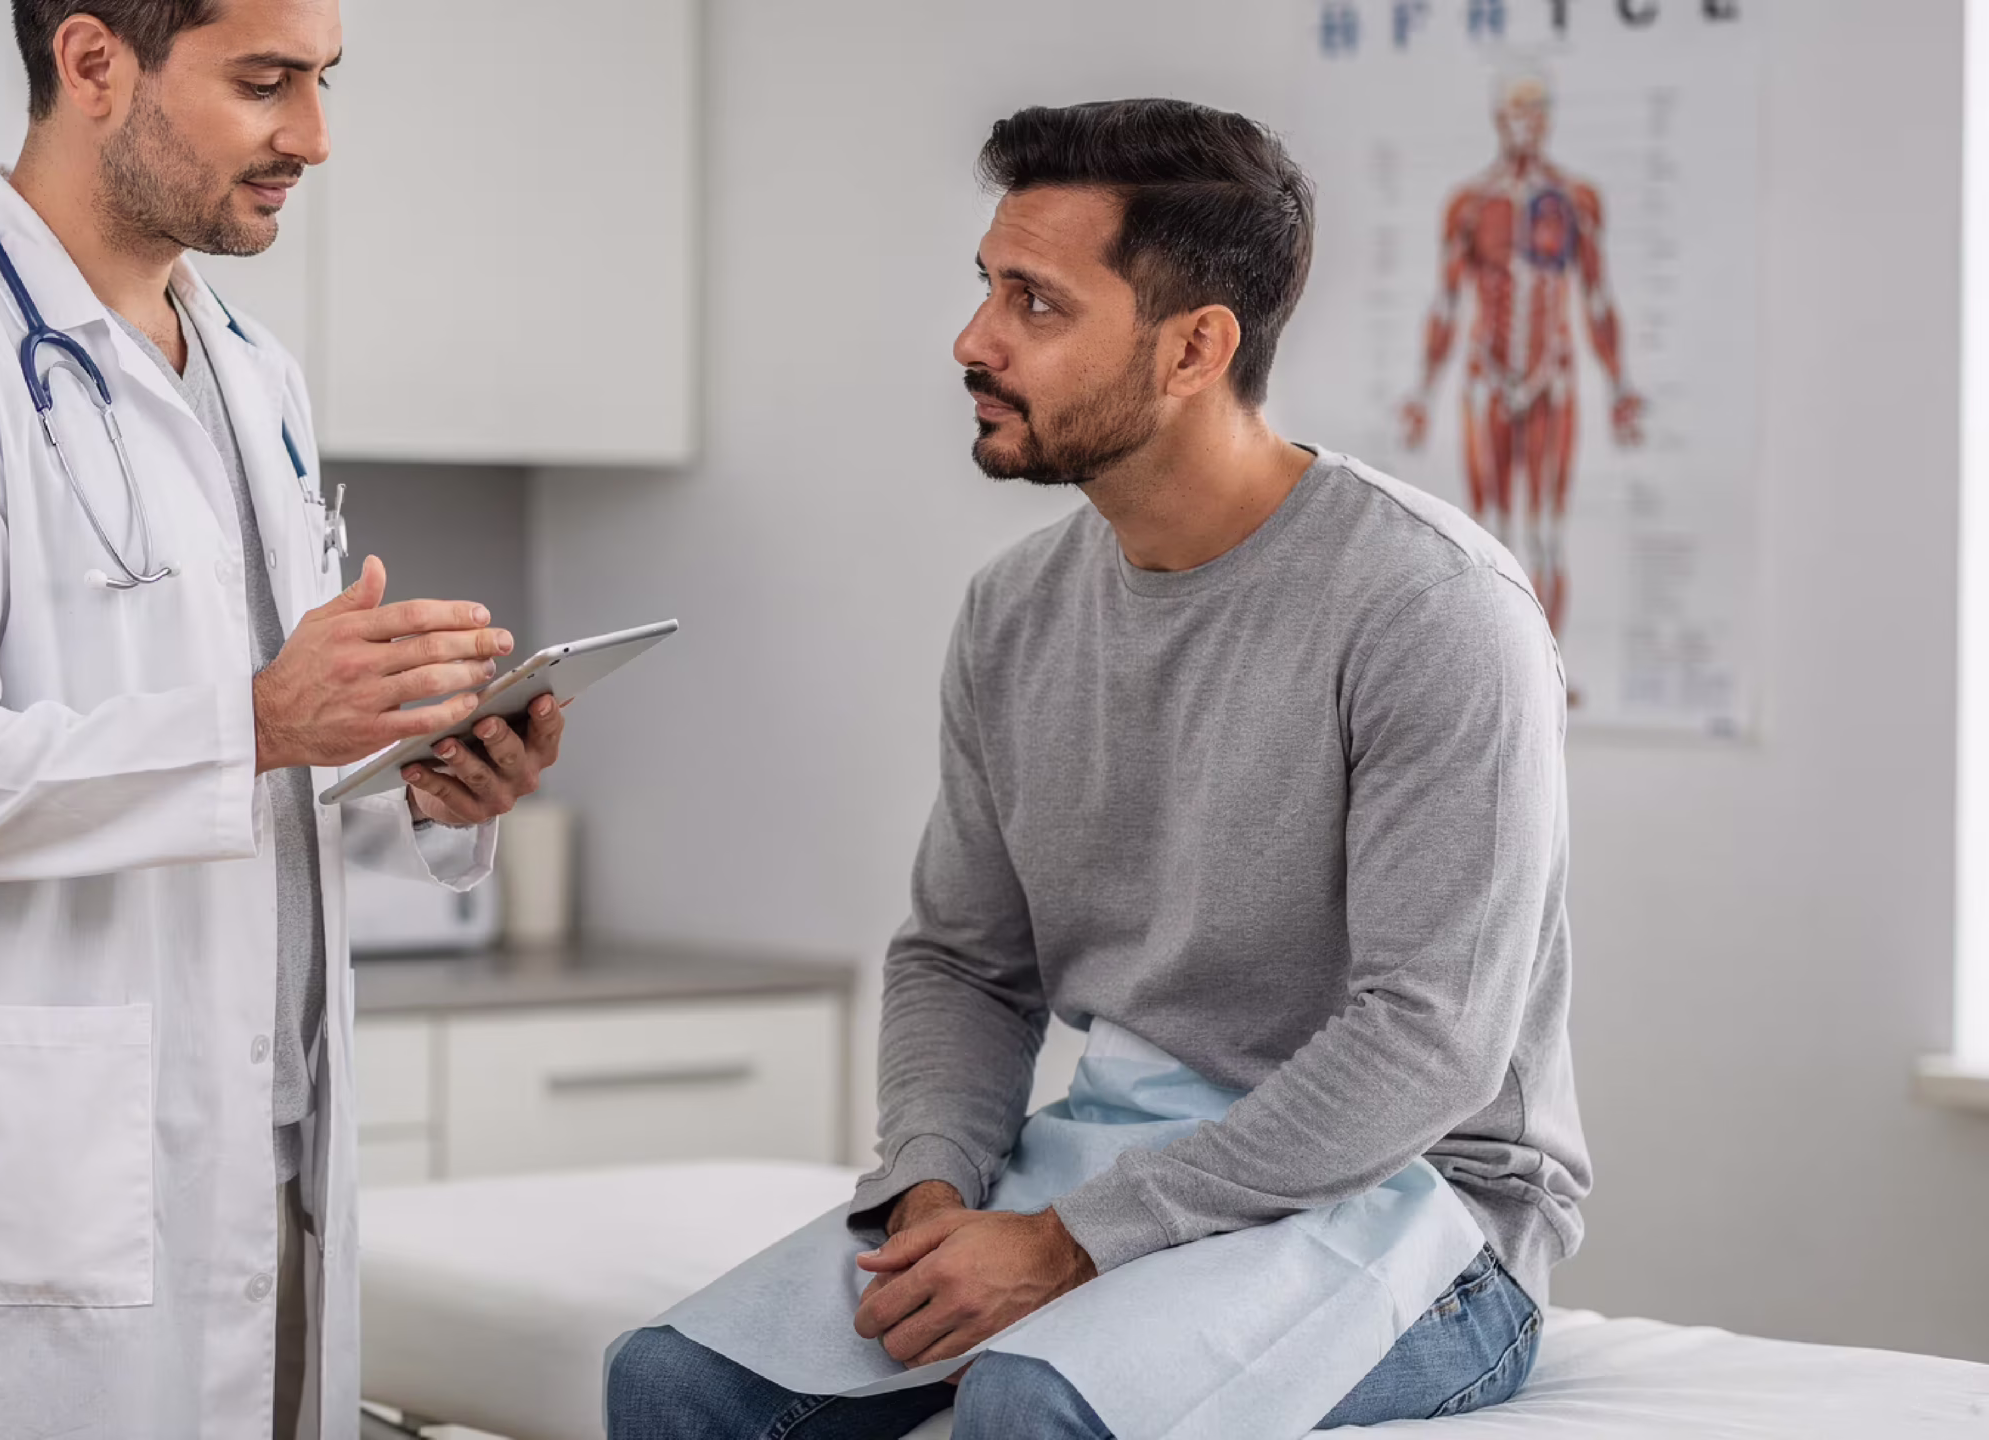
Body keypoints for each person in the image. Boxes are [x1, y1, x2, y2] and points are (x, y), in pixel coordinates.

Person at [609, 99, 1587, 1437]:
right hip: (1113, 1154)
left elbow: (1430, 1044)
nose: (974, 341)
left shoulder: (1433, 605)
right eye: (986, 289)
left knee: (1031, 1406)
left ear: (1194, 348)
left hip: (1414, 1205)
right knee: (672, 1382)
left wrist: (1073, 1243)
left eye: (1038, 305)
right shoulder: (1014, 611)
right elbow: (963, 960)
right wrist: (937, 1188)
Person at [0, 3, 561, 1436]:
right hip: (23, 1187)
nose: (313, 136)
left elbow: (267, 759)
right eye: (265, 83)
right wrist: (253, 721)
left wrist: (425, 775)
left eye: (321, 83)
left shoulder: (253, 371)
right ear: (93, 62)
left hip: (262, 1147)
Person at [1400, 71, 1645, 641]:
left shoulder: (1577, 200)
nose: (1526, 123)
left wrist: (1620, 387)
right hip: (1487, 375)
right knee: (1487, 533)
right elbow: (1445, 304)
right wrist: (1421, 395)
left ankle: (1548, 674)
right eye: (1516, 111)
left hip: (1550, 377)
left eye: (1536, 111)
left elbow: (1598, 297)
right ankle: (1494, 663)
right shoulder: (1468, 204)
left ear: (1549, 117)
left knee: (1546, 534)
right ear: (1498, 117)